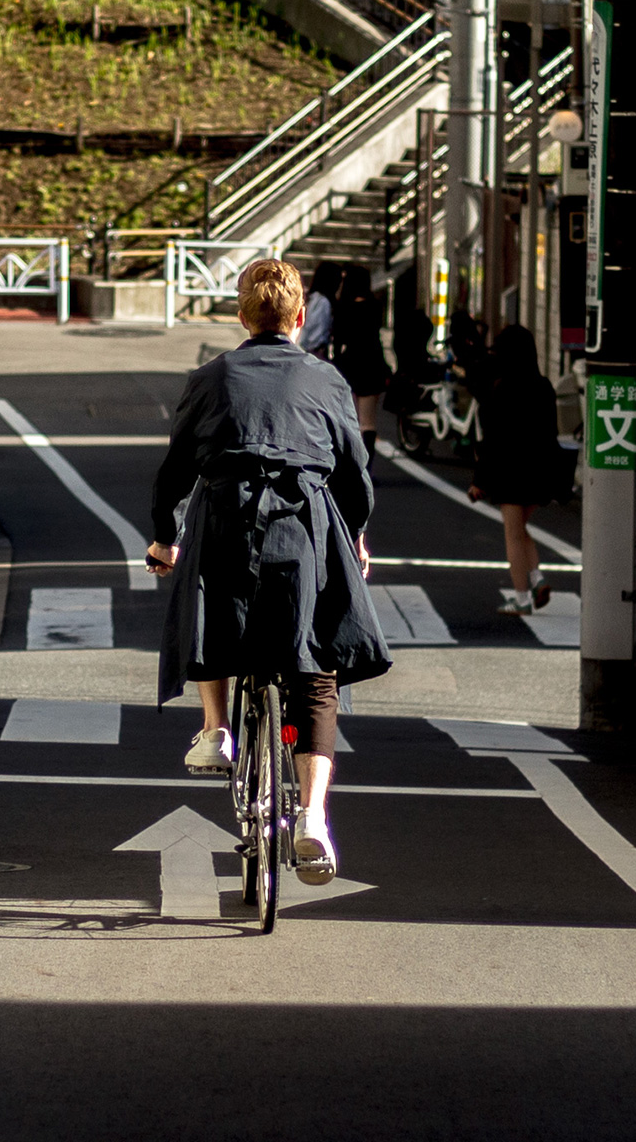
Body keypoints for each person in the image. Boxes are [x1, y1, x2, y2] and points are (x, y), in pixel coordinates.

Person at [148, 258, 390, 886]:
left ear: (240, 315)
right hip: (302, 529)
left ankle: (216, 729)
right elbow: (354, 474)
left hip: (225, 520)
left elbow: (176, 468)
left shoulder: (210, 376)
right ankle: (313, 817)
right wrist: (355, 534)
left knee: (206, 608)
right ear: (300, 318)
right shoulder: (326, 379)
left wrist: (163, 538)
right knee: (316, 668)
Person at [468, 324, 567, 613]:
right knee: (520, 529)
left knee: (512, 534)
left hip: (509, 472)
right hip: (538, 470)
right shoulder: (544, 387)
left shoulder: (501, 389)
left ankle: (522, 598)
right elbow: (551, 432)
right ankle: (536, 579)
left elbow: (493, 439)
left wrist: (479, 480)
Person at [328, 264, 391, 442]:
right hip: (373, 362)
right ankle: (367, 465)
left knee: (348, 420)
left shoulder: (342, 308)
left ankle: (351, 462)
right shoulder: (375, 306)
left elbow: (338, 339)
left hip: (349, 363)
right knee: (368, 423)